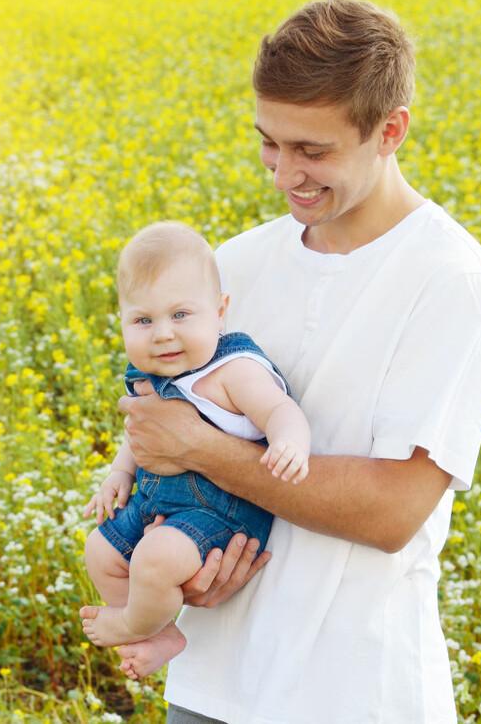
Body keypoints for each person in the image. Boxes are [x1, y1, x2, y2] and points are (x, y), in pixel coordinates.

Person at [116, 0, 481, 723]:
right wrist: (178, 560)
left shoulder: (447, 279)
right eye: (270, 141)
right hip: (211, 683)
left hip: (356, 692)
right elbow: (156, 441)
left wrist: (203, 452)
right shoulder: (231, 267)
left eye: (314, 150)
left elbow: (395, 510)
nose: (283, 172)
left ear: (390, 130)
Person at [79, 221, 311, 666]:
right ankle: (158, 635)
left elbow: (281, 410)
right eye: (143, 320)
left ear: (220, 311)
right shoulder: (151, 377)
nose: (163, 334)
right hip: (154, 501)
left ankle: (132, 623)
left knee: (153, 558)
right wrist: (119, 473)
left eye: (180, 315)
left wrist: (290, 442)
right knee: (101, 551)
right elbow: (141, 434)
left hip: (219, 513)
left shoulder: (233, 371)